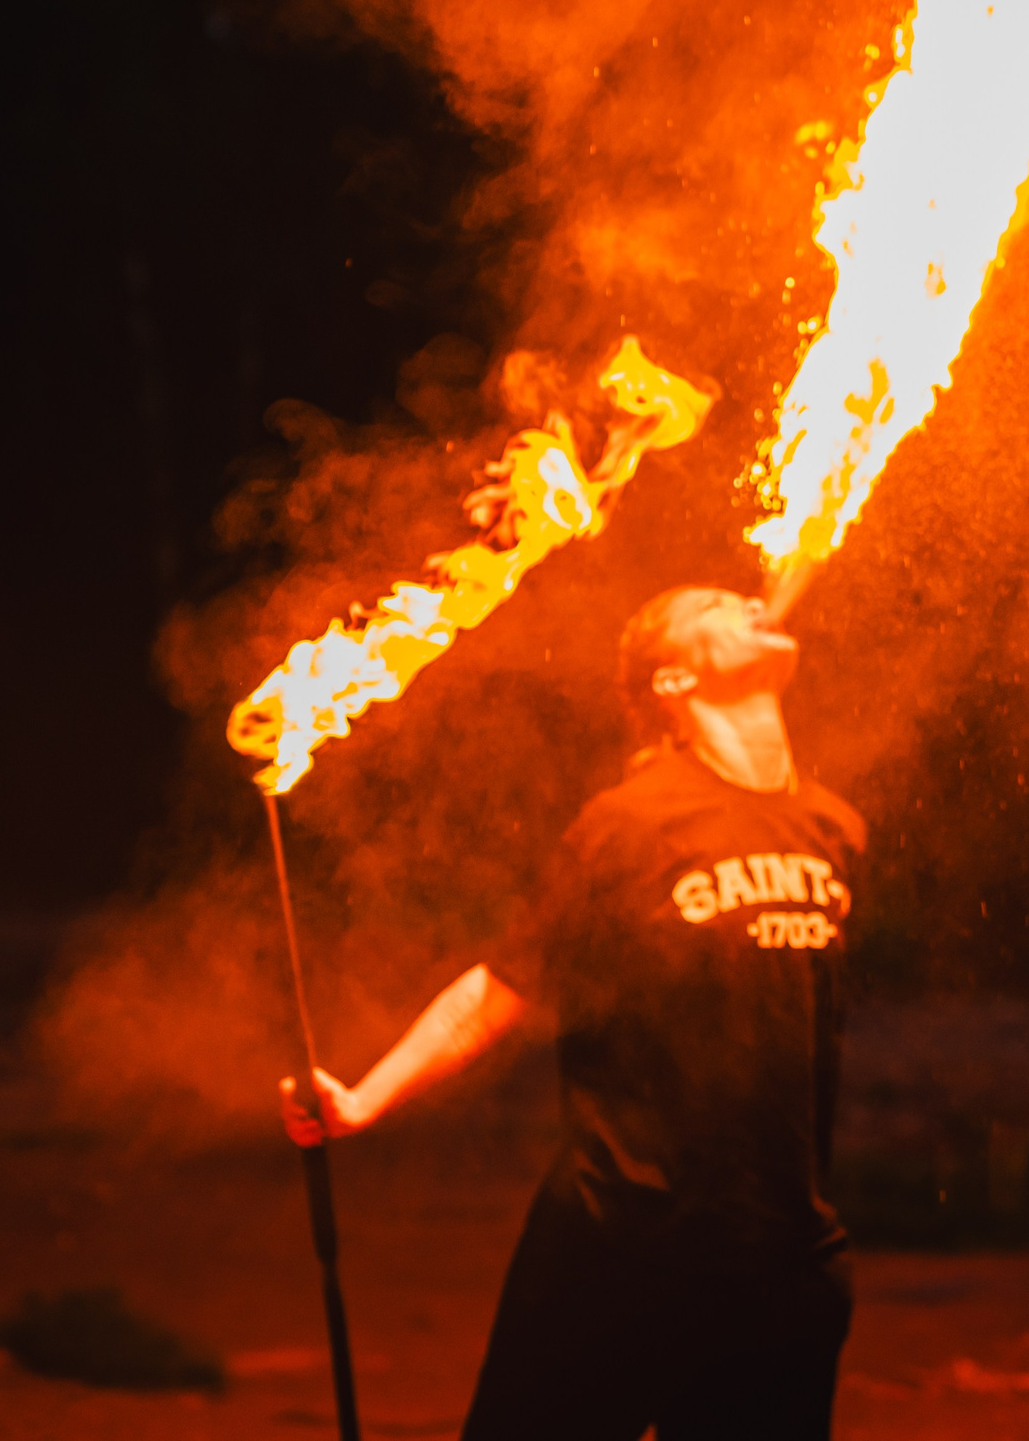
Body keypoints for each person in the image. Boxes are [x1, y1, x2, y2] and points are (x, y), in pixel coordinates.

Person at [278, 583, 866, 1440]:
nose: (747, 602)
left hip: (784, 1259)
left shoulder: (834, 826)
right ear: (670, 681)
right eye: (713, 605)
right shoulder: (627, 826)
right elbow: (505, 983)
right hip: (624, 1245)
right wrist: (364, 1098)